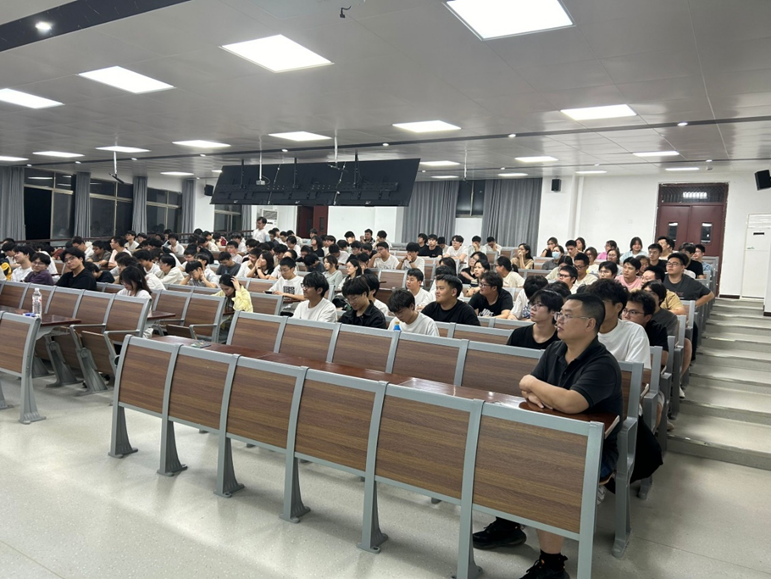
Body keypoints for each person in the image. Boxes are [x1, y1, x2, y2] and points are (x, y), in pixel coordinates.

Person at [475, 294, 622, 579]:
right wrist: (533, 387)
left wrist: (534, 384)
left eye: (567, 315)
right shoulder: (555, 349)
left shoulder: (602, 363)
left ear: (589, 324)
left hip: (593, 449)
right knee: (500, 452)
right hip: (548, 436)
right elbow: (525, 389)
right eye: (560, 313)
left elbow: (570, 403)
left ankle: (552, 565)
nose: (559, 319)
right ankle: (509, 524)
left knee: (548, 471)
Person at [585, 279, 650, 368]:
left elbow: (636, 372)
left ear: (618, 307)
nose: (592, 308)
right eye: (590, 302)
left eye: (600, 303)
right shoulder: (580, 328)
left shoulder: (634, 332)